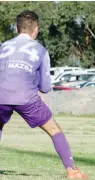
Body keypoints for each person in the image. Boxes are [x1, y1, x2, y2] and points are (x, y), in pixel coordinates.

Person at [0, 11, 86, 179]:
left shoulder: (3, 46)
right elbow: (45, 87)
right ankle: (71, 171)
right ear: (36, 29)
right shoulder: (40, 50)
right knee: (54, 130)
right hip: (26, 98)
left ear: (17, 28)